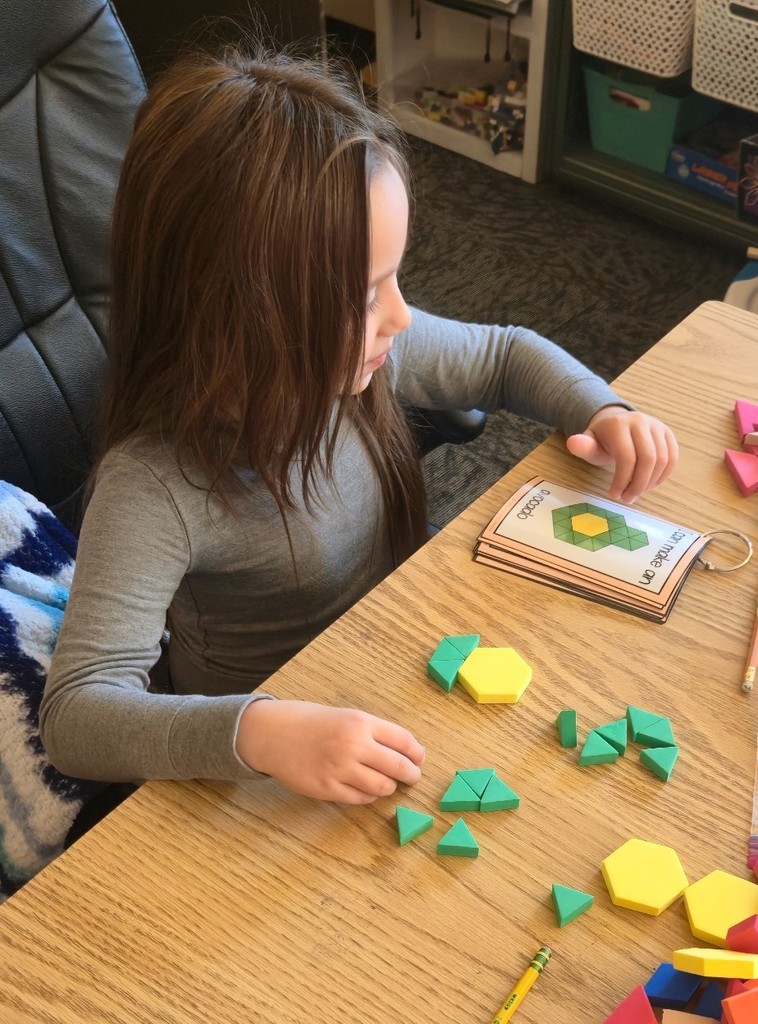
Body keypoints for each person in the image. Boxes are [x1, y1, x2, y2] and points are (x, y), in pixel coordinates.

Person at [39, 45, 678, 804]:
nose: (400, 317)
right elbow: (77, 714)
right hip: (277, 764)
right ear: (243, 317)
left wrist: (601, 409)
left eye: (394, 278)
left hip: (401, 658)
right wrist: (259, 733)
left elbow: (506, 354)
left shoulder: (372, 354)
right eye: (367, 295)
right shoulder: (152, 488)